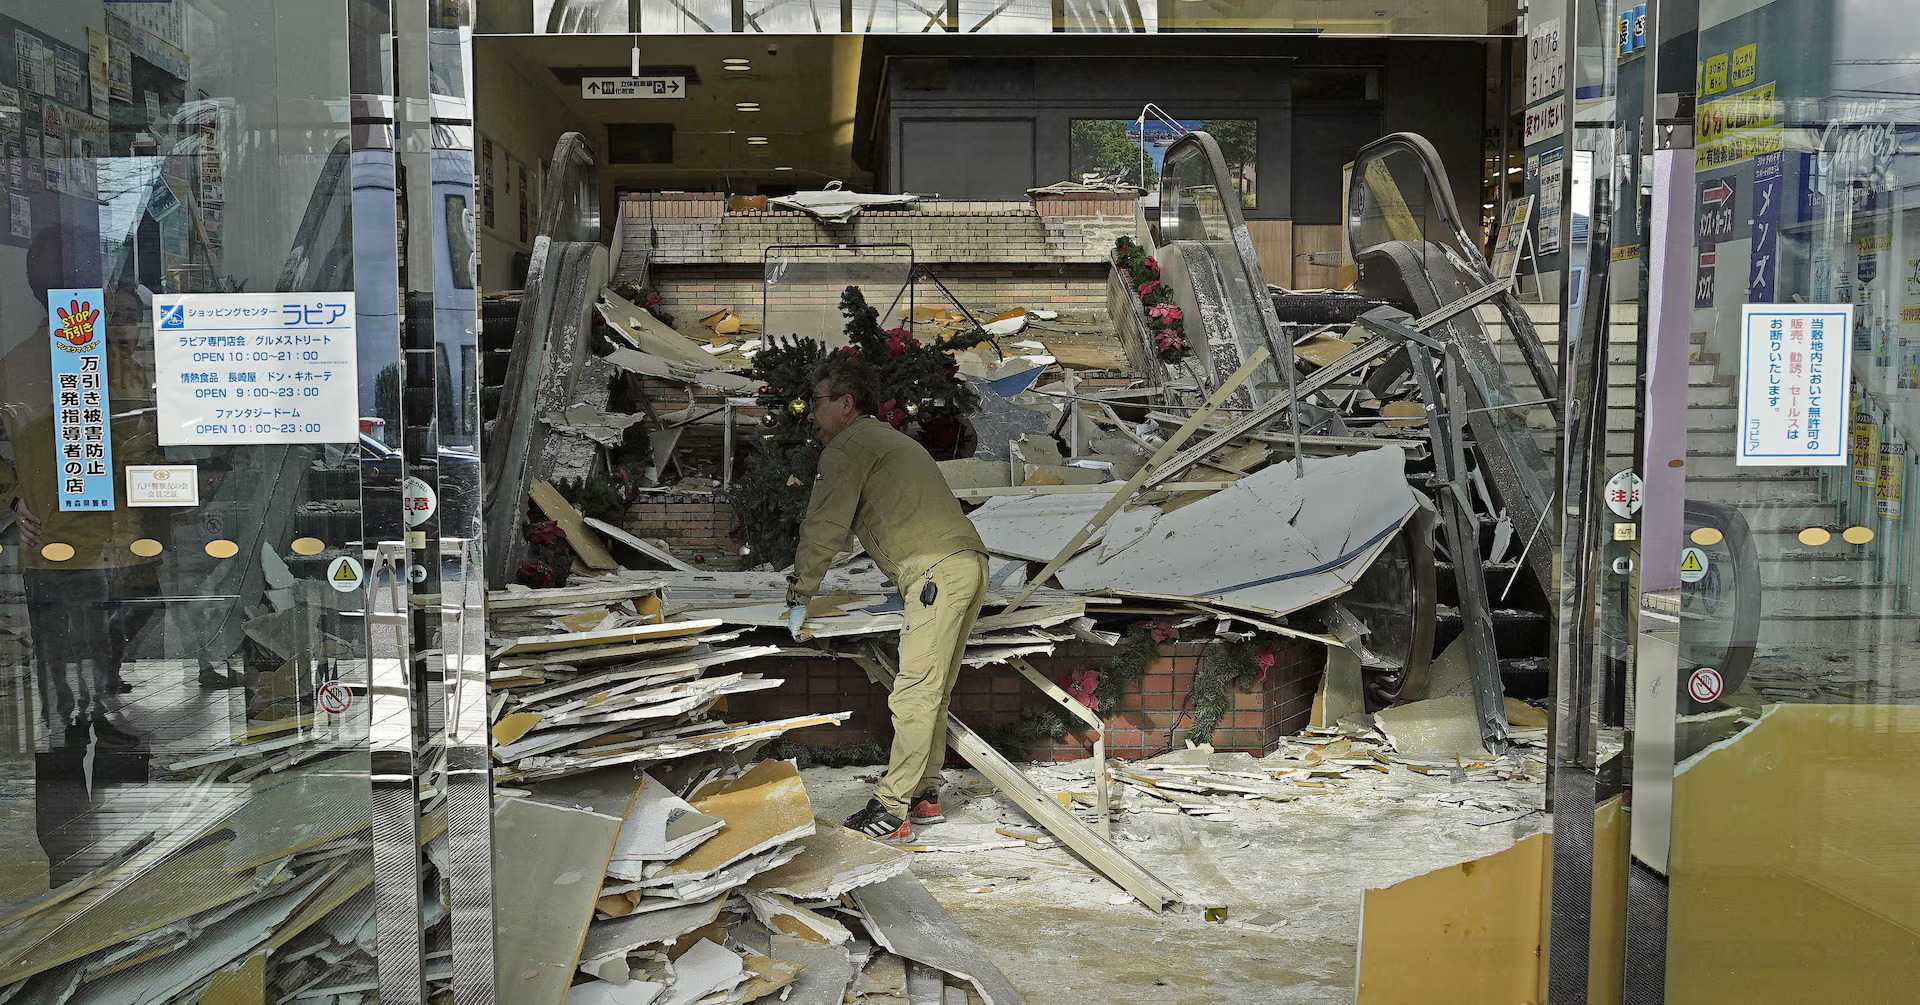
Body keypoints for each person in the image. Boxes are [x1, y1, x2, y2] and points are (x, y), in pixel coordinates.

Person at [785, 353, 988, 843]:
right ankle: (924, 793)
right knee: (931, 690)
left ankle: (891, 808)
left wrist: (799, 594)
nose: (811, 412)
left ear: (846, 403)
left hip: (935, 572)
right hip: (966, 563)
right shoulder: (888, 441)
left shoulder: (848, 447)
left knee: (914, 692)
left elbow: (824, 526)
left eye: (817, 401)